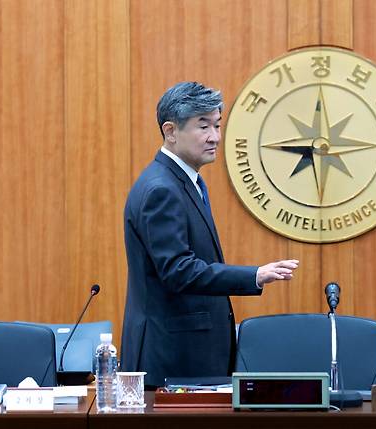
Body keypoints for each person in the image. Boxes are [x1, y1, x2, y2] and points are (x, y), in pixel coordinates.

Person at [120, 81, 299, 388]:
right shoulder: (161, 189)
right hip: (173, 358)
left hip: (187, 357)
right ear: (171, 131)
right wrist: (253, 275)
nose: (215, 137)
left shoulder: (185, 182)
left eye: (217, 125)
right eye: (203, 127)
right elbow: (178, 271)